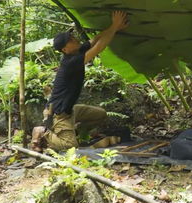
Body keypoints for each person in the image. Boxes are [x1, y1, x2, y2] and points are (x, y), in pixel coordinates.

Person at [31, 11, 128, 152]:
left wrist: (115, 28)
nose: (74, 39)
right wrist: (114, 25)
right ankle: (43, 133)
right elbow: (99, 47)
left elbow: (95, 40)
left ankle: (77, 132)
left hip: (71, 110)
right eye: (70, 40)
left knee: (100, 114)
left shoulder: (76, 51)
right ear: (65, 49)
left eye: (72, 36)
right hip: (60, 113)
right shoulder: (70, 62)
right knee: (70, 146)